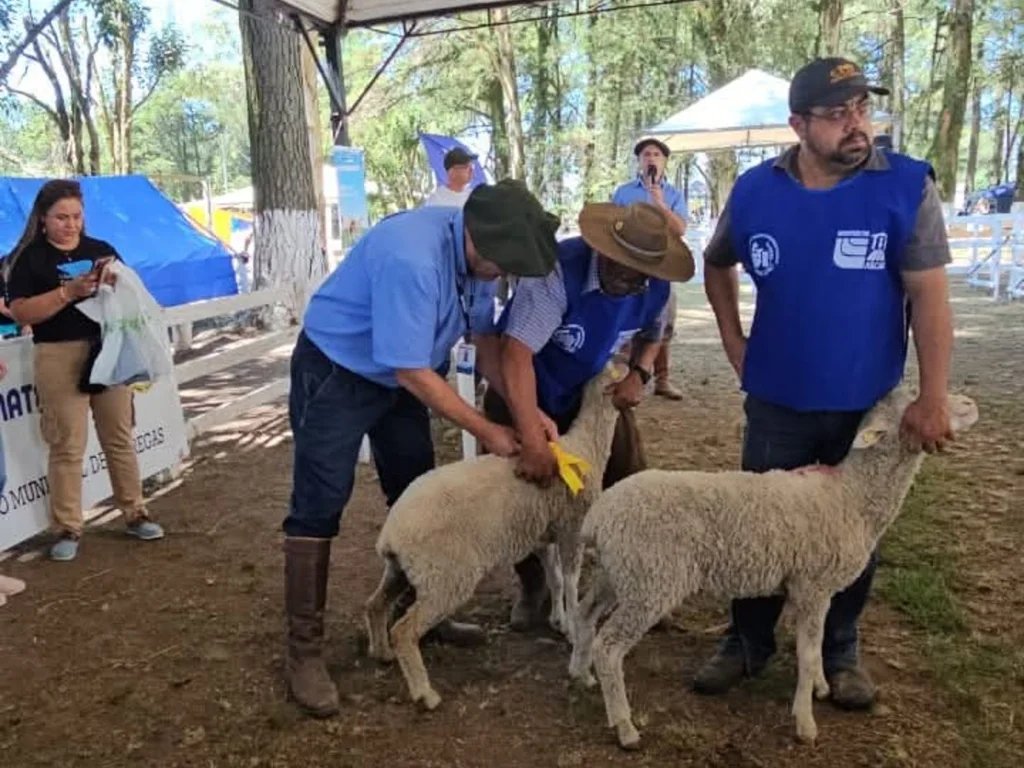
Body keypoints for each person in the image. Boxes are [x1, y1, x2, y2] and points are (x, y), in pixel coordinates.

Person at [696, 57, 955, 710]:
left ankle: (840, 650)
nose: (856, 124)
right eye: (838, 113)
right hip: (777, 398)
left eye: (863, 108)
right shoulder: (756, 190)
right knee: (755, 525)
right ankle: (748, 640)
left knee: (851, 536)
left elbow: (929, 297)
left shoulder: (906, 186)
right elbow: (716, 262)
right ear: (798, 125)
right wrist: (734, 342)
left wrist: (931, 396)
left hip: (864, 405)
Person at [282, 179, 559, 718]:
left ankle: (416, 612)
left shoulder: (477, 260)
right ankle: (304, 653)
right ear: (480, 240)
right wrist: (487, 429)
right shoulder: (412, 257)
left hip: (402, 375)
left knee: (414, 488)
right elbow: (409, 368)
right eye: (503, 266)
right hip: (339, 370)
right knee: (320, 501)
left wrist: (528, 415)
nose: (503, 278)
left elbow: (484, 343)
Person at [476, 201, 694, 629]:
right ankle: (534, 587)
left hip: (589, 393)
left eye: (641, 275)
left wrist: (639, 372)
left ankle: (638, 585)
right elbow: (515, 356)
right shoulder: (558, 271)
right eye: (624, 269)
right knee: (521, 490)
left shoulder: (656, 287)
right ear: (605, 251)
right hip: (523, 385)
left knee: (631, 479)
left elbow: (654, 335)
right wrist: (533, 436)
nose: (631, 282)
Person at [3, 180, 164, 562]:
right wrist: (67, 293)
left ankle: (135, 510)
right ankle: (68, 527)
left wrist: (114, 283)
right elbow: (22, 312)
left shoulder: (102, 251)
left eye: (76, 216)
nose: (70, 225)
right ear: (43, 219)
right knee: (67, 445)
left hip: (109, 350)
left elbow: (131, 296)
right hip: (57, 354)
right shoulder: (28, 259)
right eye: (61, 217)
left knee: (120, 435)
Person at [612, 137, 688, 400]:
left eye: (656, 154)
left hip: (661, 267)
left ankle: (662, 380)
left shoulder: (674, 195)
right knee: (626, 320)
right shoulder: (623, 192)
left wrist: (660, 204)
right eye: (646, 154)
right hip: (627, 266)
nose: (651, 158)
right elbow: (612, 225)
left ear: (664, 162)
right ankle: (622, 376)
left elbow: (679, 230)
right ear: (639, 161)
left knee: (663, 323)